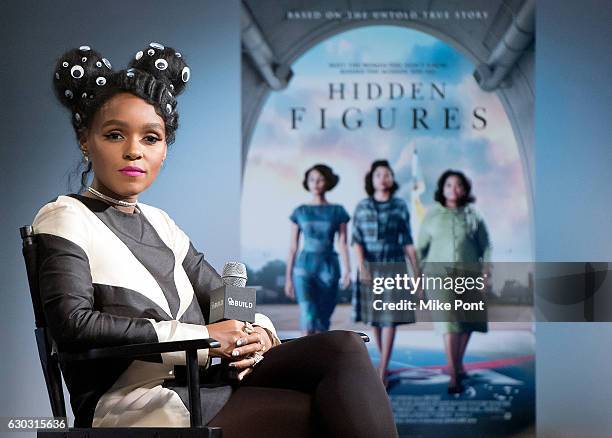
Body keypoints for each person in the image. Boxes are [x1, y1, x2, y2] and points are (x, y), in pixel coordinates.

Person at [32, 44, 398, 437]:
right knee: (322, 410)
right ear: (86, 141)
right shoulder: (64, 216)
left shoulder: (161, 223)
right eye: (115, 134)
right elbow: (74, 324)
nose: (134, 150)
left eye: (151, 138)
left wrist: (259, 333)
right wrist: (204, 338)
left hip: (207, 380)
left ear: (165, 150)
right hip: (139, 401)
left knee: (343, 347)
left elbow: (225, 297)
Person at [416, 170, 491, 394]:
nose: (453, 189)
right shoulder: (432, 215)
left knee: (467, 322)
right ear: (442, 189)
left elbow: (486, 246)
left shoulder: (474, 215)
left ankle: (457, 363)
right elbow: (420, 249)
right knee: (449, 323)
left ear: (465, 189)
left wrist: (486, 271)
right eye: (449, 185)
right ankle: (454, 374)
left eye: (458, 185)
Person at [351, 160, 420, 385]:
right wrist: (363, 267)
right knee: (376, 320)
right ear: (372, 179)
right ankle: (384, 363)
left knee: (390, 319)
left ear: (392, 179)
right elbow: (357, 240)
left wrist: (417, 274)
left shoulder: (400, 206)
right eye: (378, 174)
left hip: (394, 266)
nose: (383, 177)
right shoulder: (362, 206)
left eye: (387, 174)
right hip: (371, 267)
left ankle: (383, 368)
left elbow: (408, 241)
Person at [284, 164, 350, 335]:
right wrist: (288, 278)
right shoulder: (300, 211)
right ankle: (304, 359)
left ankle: (318, 358)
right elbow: (293, 247)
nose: (315, 183)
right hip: (304, 268)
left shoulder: (338, 211)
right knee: (307, 313)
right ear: (307, 182)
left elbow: (343, 243)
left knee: (323, 318)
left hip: (329, 267)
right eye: (312, 179)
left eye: (320, 179)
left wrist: (348, 270)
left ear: (327, 182)